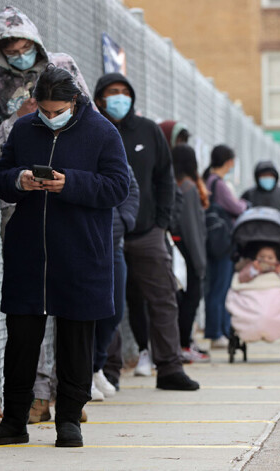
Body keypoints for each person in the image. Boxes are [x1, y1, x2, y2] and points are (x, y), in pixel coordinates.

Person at [0, 65, 130, 448]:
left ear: (74, 101)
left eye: (56, 110)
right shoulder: (24, 128)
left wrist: (70, 183)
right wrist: (20, 181)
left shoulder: (102, 132)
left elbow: (117, 187)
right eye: (43, 110)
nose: (49, 116)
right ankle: (14, 420)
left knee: (76, 340)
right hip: (29, 252)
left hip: (81, 254)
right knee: (21, 343)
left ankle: (69, 421)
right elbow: (1, 176)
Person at [0, 5, 93, 423]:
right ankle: (37, 396)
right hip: (24, 204)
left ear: (36, 42)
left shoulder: (63, 64)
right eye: (8, 47)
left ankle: (71, 395)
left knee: (73, 299)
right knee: (32, 306)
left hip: (70, 197)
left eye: (23, 45)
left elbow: (87, 119)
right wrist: (23, 121)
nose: (18, 53)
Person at [93, 72, 200, 391]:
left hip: (146, 233)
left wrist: (162, 223)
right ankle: (107, 369)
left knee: (163, 298)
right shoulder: (94, 130)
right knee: (107, 302)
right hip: (106, 234)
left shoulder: (149, 131)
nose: (119, 98)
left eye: (125, 92)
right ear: (99, 98)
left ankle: (169, 368)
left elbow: (165, 179)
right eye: (112, 92)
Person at [91, 169, 140, 400]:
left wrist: (124, 219)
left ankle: (95, 367)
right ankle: (83, 374)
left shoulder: (109, 138)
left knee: (114, 311)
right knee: (83, 313)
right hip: (84, 243)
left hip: (114, 244)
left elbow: (131, 186)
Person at [203, 145, 248, 349]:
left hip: (211, 240)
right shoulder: (218, 184)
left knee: (214, 287)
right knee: (219, 288)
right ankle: (216, 333)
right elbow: (236, 207)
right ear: (229, 161)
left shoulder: (207, 179)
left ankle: (217, 330)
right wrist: (245, 204)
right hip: (222, 243)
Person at [172, 145, 210, 363]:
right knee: (191, 299)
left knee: (180, 300)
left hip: (177, 250)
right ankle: (184, 344)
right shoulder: (188, 188)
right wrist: (199, 263)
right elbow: (192, 228)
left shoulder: (175, 184)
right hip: (189, 252)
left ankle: (183, 343)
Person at [226, 244, 280, 343]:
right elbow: (241, 278)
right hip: (252, 294)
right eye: (262, 257)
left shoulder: (279, 269)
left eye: (270, 258)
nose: (265, 260)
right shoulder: (251, 266)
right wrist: (254, 270)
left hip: (273, 295)